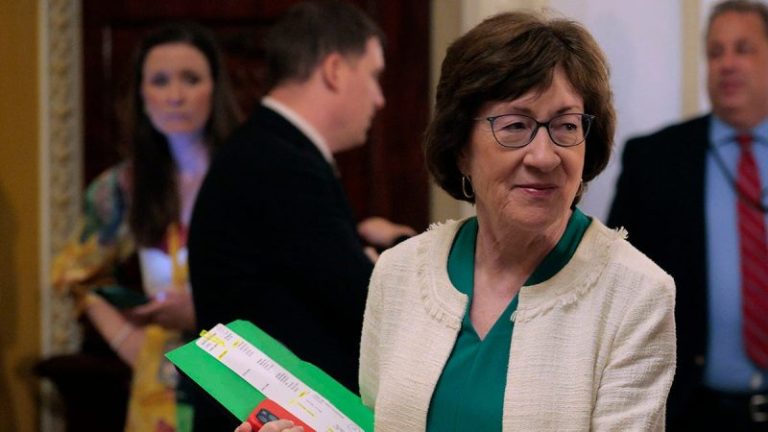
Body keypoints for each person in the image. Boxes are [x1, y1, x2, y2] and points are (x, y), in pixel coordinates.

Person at [240, 9, 676, 432]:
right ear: (461, 148)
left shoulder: (635, 294)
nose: (544, 157)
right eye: (515, 126)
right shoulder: (398, 274)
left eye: (566, 126)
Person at [187, 1, 414, 430]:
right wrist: (394, 254)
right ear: (335, 70)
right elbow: (366, 303)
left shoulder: (270, 150)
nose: (380, 98)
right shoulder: (280, 163)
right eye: (374, 75)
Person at [51, 22, 241, 432]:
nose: (175, 95)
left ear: (215, 88)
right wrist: (129, 342)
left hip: (240, 371)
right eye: (160, 81)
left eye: (191, 79)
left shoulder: (248, 175)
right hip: (161, 383)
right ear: (141, 94)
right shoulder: (123, 186)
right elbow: (75, 275)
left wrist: (204, 308)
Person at [608, 0, 768, 429]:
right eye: (715, 52)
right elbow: (617, 281)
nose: (727, 64)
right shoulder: (655, 160)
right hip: (693, 412)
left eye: (743, 49)